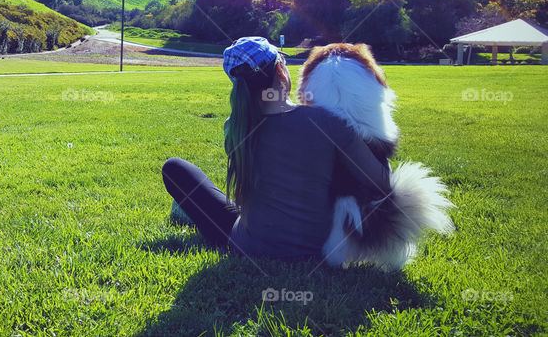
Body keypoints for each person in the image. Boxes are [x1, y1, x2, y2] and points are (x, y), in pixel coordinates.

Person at [161, 37, 390, 260]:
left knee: (175, 168)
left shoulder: (234, 128)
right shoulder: (327, 122)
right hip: (320, 250)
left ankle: (188, 212)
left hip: (249, 245)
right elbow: (380, 184)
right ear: (281, 71)